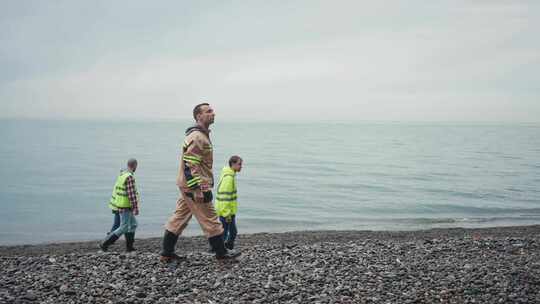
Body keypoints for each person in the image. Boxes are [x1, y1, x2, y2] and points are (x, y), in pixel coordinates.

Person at [160, 103, 241, 262]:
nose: (213, 113)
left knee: (179, 218)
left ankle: (166, 253)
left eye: (212, 111)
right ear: (198, 116)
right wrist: (197, 189)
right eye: (208, 111)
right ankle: (221, 253)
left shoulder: (200, 135)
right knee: (210, 218)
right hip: (195, 186)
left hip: (187, 185)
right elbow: (190, 164)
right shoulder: (197, 137)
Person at [100, 158, 140, 252]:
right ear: (135, 166)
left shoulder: (122, 174)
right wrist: (135, 208)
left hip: (120, 204)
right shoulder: (129, 177)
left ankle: (129, 247)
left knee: (133, 224)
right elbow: (131, 194)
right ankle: (104, 243)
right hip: (125, 205)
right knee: (123, 227)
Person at [215, 156, 243, 250]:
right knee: (225, 232)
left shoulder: (231, 175)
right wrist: (227, 214)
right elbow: (224, 198)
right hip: (226, 212)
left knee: (232, 232)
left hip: (229, 211)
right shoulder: (229, 178)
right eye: (239, 164)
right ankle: (220, 250)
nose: (241, 166)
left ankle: (227, 247)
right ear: (233, 164)